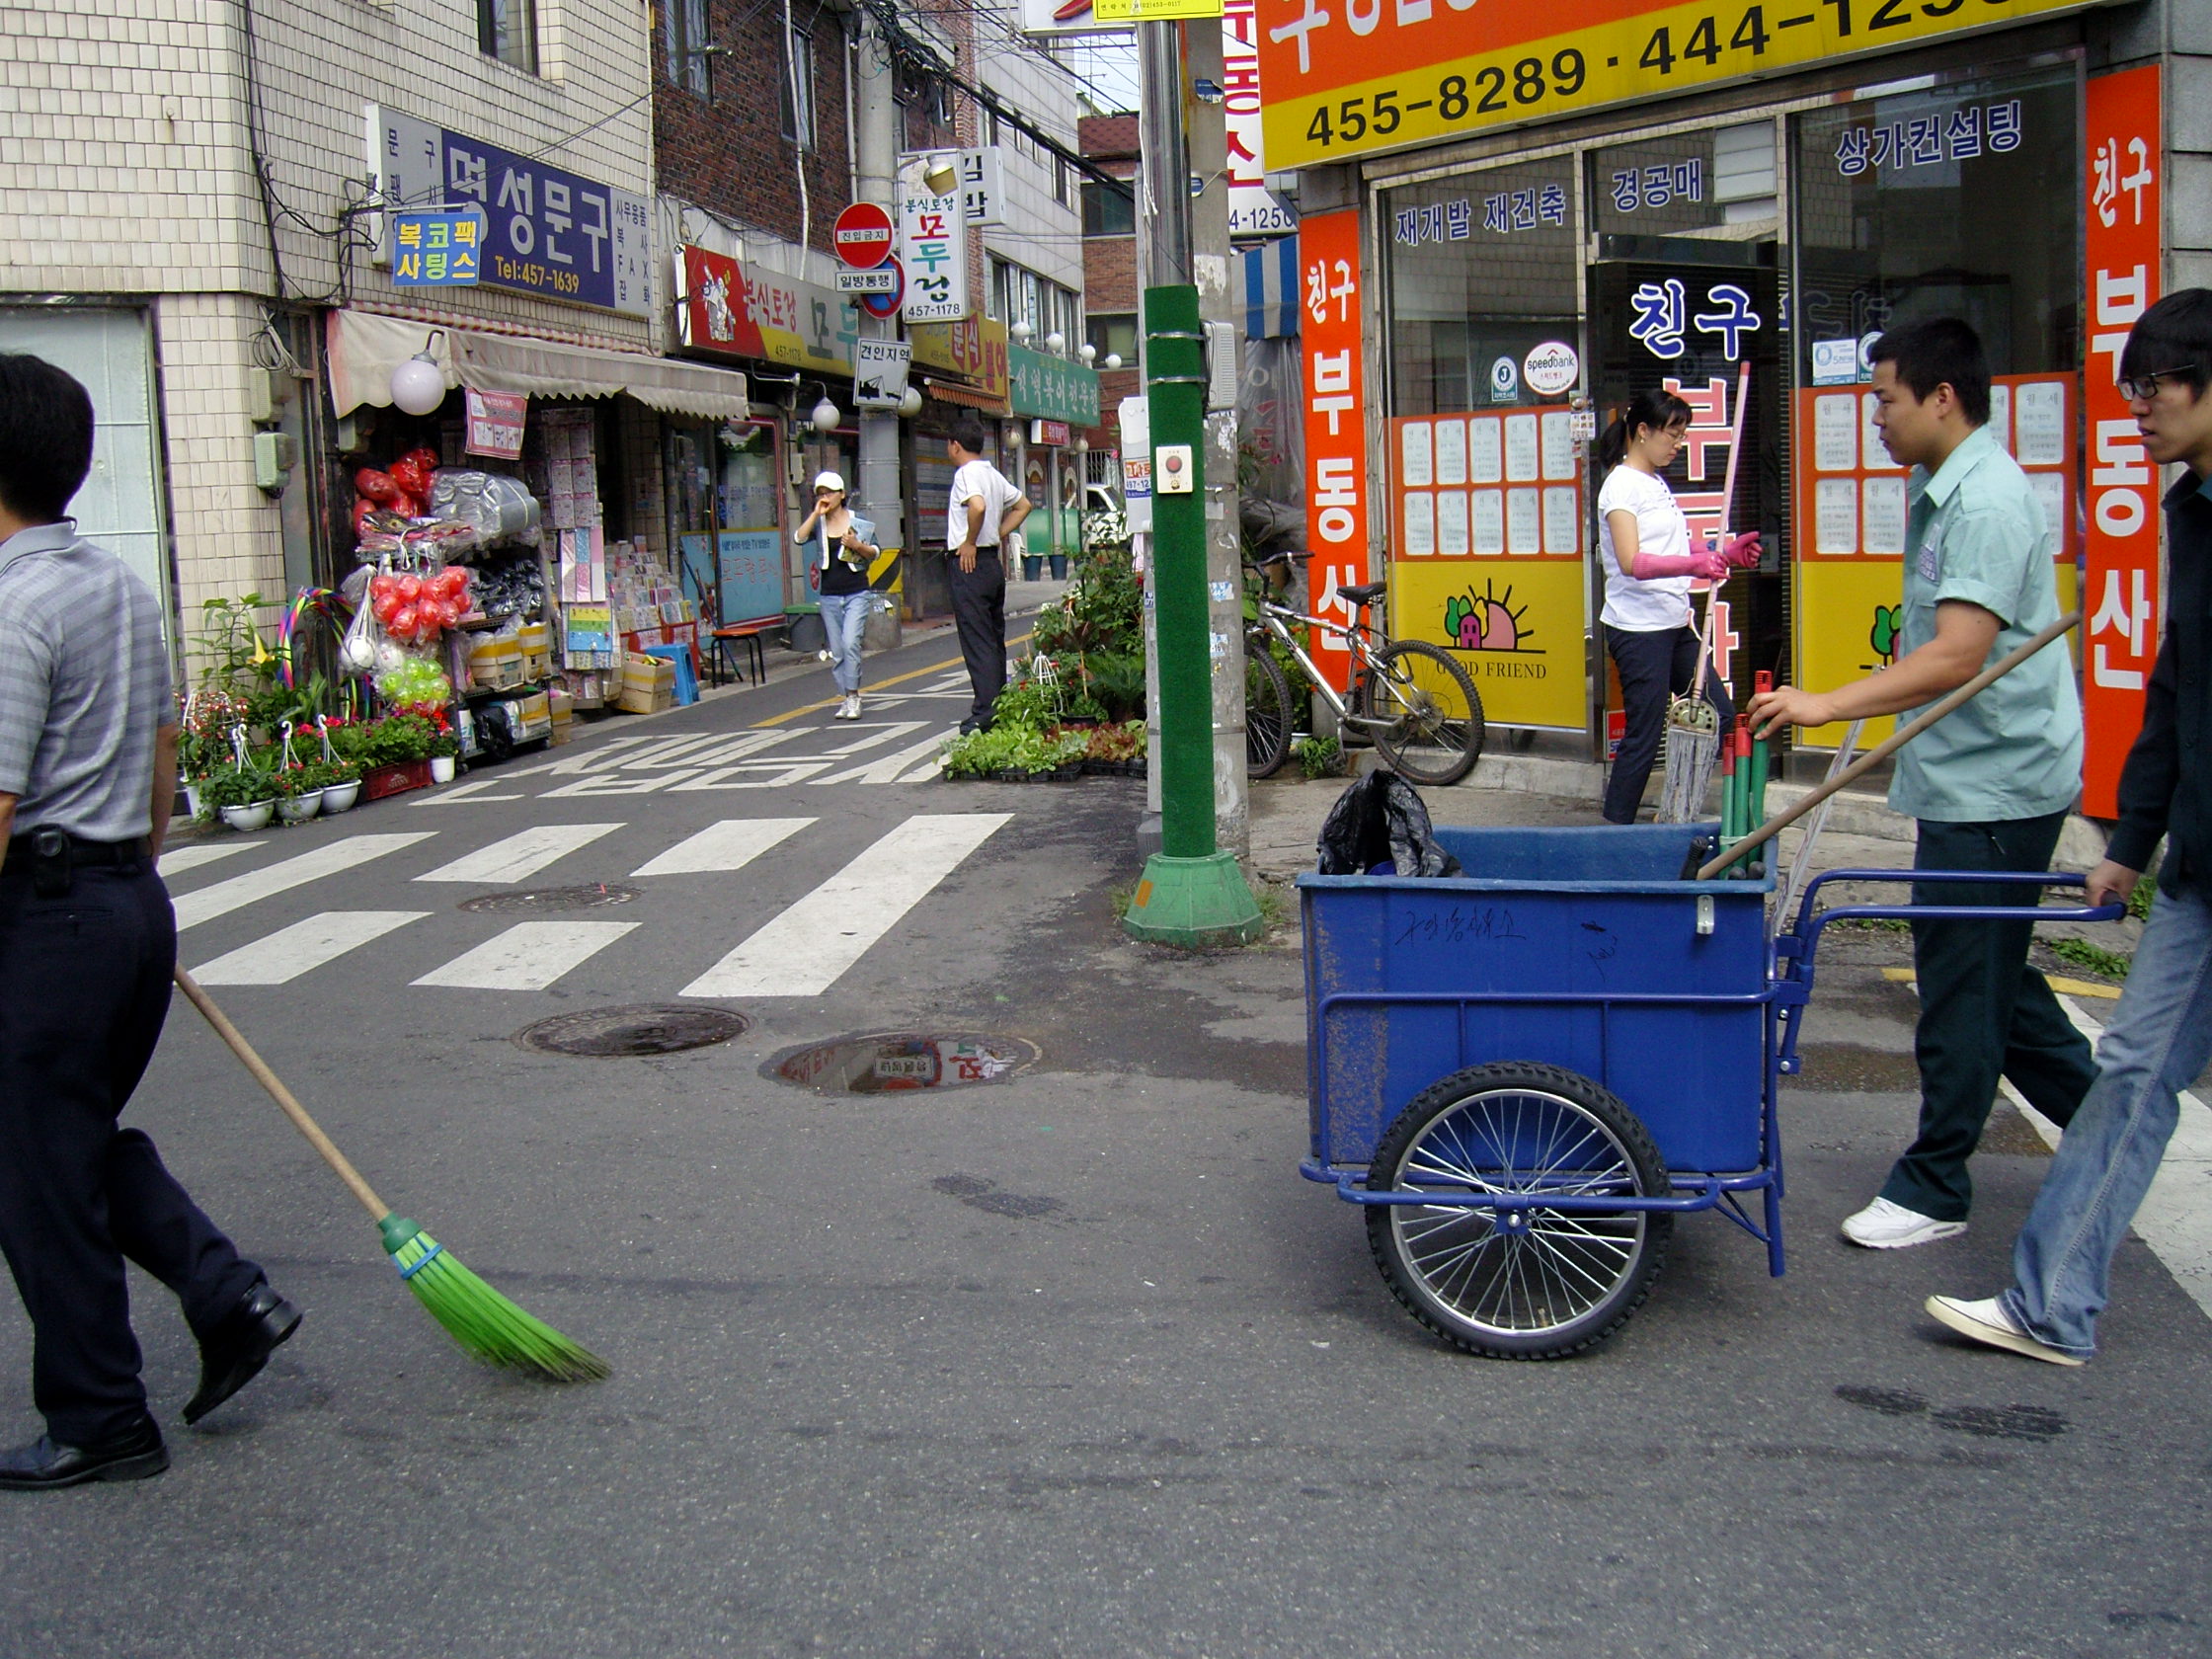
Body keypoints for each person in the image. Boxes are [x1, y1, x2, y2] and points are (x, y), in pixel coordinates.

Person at [0, 354, 298, 1490]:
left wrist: (67, 900)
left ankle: (101, 1418)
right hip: (125, 900)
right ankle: (228, 1298)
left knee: (33, 1171)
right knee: (63, 1139)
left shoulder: (11, 606)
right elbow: (166, 752)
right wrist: (126, 877)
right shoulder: (116, 587)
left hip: (51, 912)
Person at [1748, 317, 2097, 1250]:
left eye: (1886, 399)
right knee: (1987, 967)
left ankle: (1937, 1183)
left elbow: (1956, 656)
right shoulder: (1942, 486)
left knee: (1957, 983)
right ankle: (2113, 1126)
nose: (1875, 418)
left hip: (1999, 783)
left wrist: (1824, 706)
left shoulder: (1983, 501)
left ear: (1942, 398)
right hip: (1975, 772)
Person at [1924, 290, 2212, 1364]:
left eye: (2152, 389)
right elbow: (2177, 686)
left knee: (2126, 1069)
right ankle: (2051, 1303)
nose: (2135, 411)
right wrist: (2131, 844)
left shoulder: (1993, 500)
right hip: (2196, 863)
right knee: (2133, 1071)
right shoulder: (2189, 510)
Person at [1594, 387, 1761, 824]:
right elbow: (1634, 562)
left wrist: (1722, 553)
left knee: (1721, 716)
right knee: (1645, 736)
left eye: (1682, 435)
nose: (1678, 444)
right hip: (1637, 629)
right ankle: (1614, 834)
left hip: (1673, 621)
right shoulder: (1620, 487)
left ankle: (1684, 813)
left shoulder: (1655, 481)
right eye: (1672, 434)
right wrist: (1696, 563)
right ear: (1643, 431)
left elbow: (1671, 546)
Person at [944, 421, 1032, 734]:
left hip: (970, 563)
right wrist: (997, 533)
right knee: (993, 638)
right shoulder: (992, 473)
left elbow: (977, 506)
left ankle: (985, 712)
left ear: (955, 445)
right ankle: (998, 704)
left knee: (977, 638)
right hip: (991, 564)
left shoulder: (966, 473)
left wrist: (970, 541)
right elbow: (1023, 505)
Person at [793, 471, 878, 721]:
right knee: (838, 650)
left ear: (842, 494)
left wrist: (856, 545)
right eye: (820, 493)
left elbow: (875, 551)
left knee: (851, 642)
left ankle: (853, 695)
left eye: (829, 492)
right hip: (829, 595)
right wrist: (815, 513)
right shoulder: (818, 523)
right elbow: (798, 538)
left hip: (856, 591)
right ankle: (846, 697)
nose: (825, 497)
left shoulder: (857, 520)